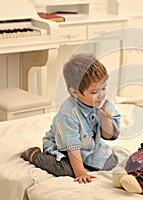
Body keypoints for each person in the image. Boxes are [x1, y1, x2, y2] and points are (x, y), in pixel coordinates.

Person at [21, 53, 121, 184]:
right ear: (75, 92)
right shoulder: (68, 115)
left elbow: (109, 136)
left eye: (104, 88)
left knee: (112, 161)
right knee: (66, 170)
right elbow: (72, 148)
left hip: (88, 145)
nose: (101, 95)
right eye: (94, 92)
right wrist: (80, 173)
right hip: (64, 147)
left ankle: (85, 161)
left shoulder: (103, 104)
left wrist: (105, 120)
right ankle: (34, 155)